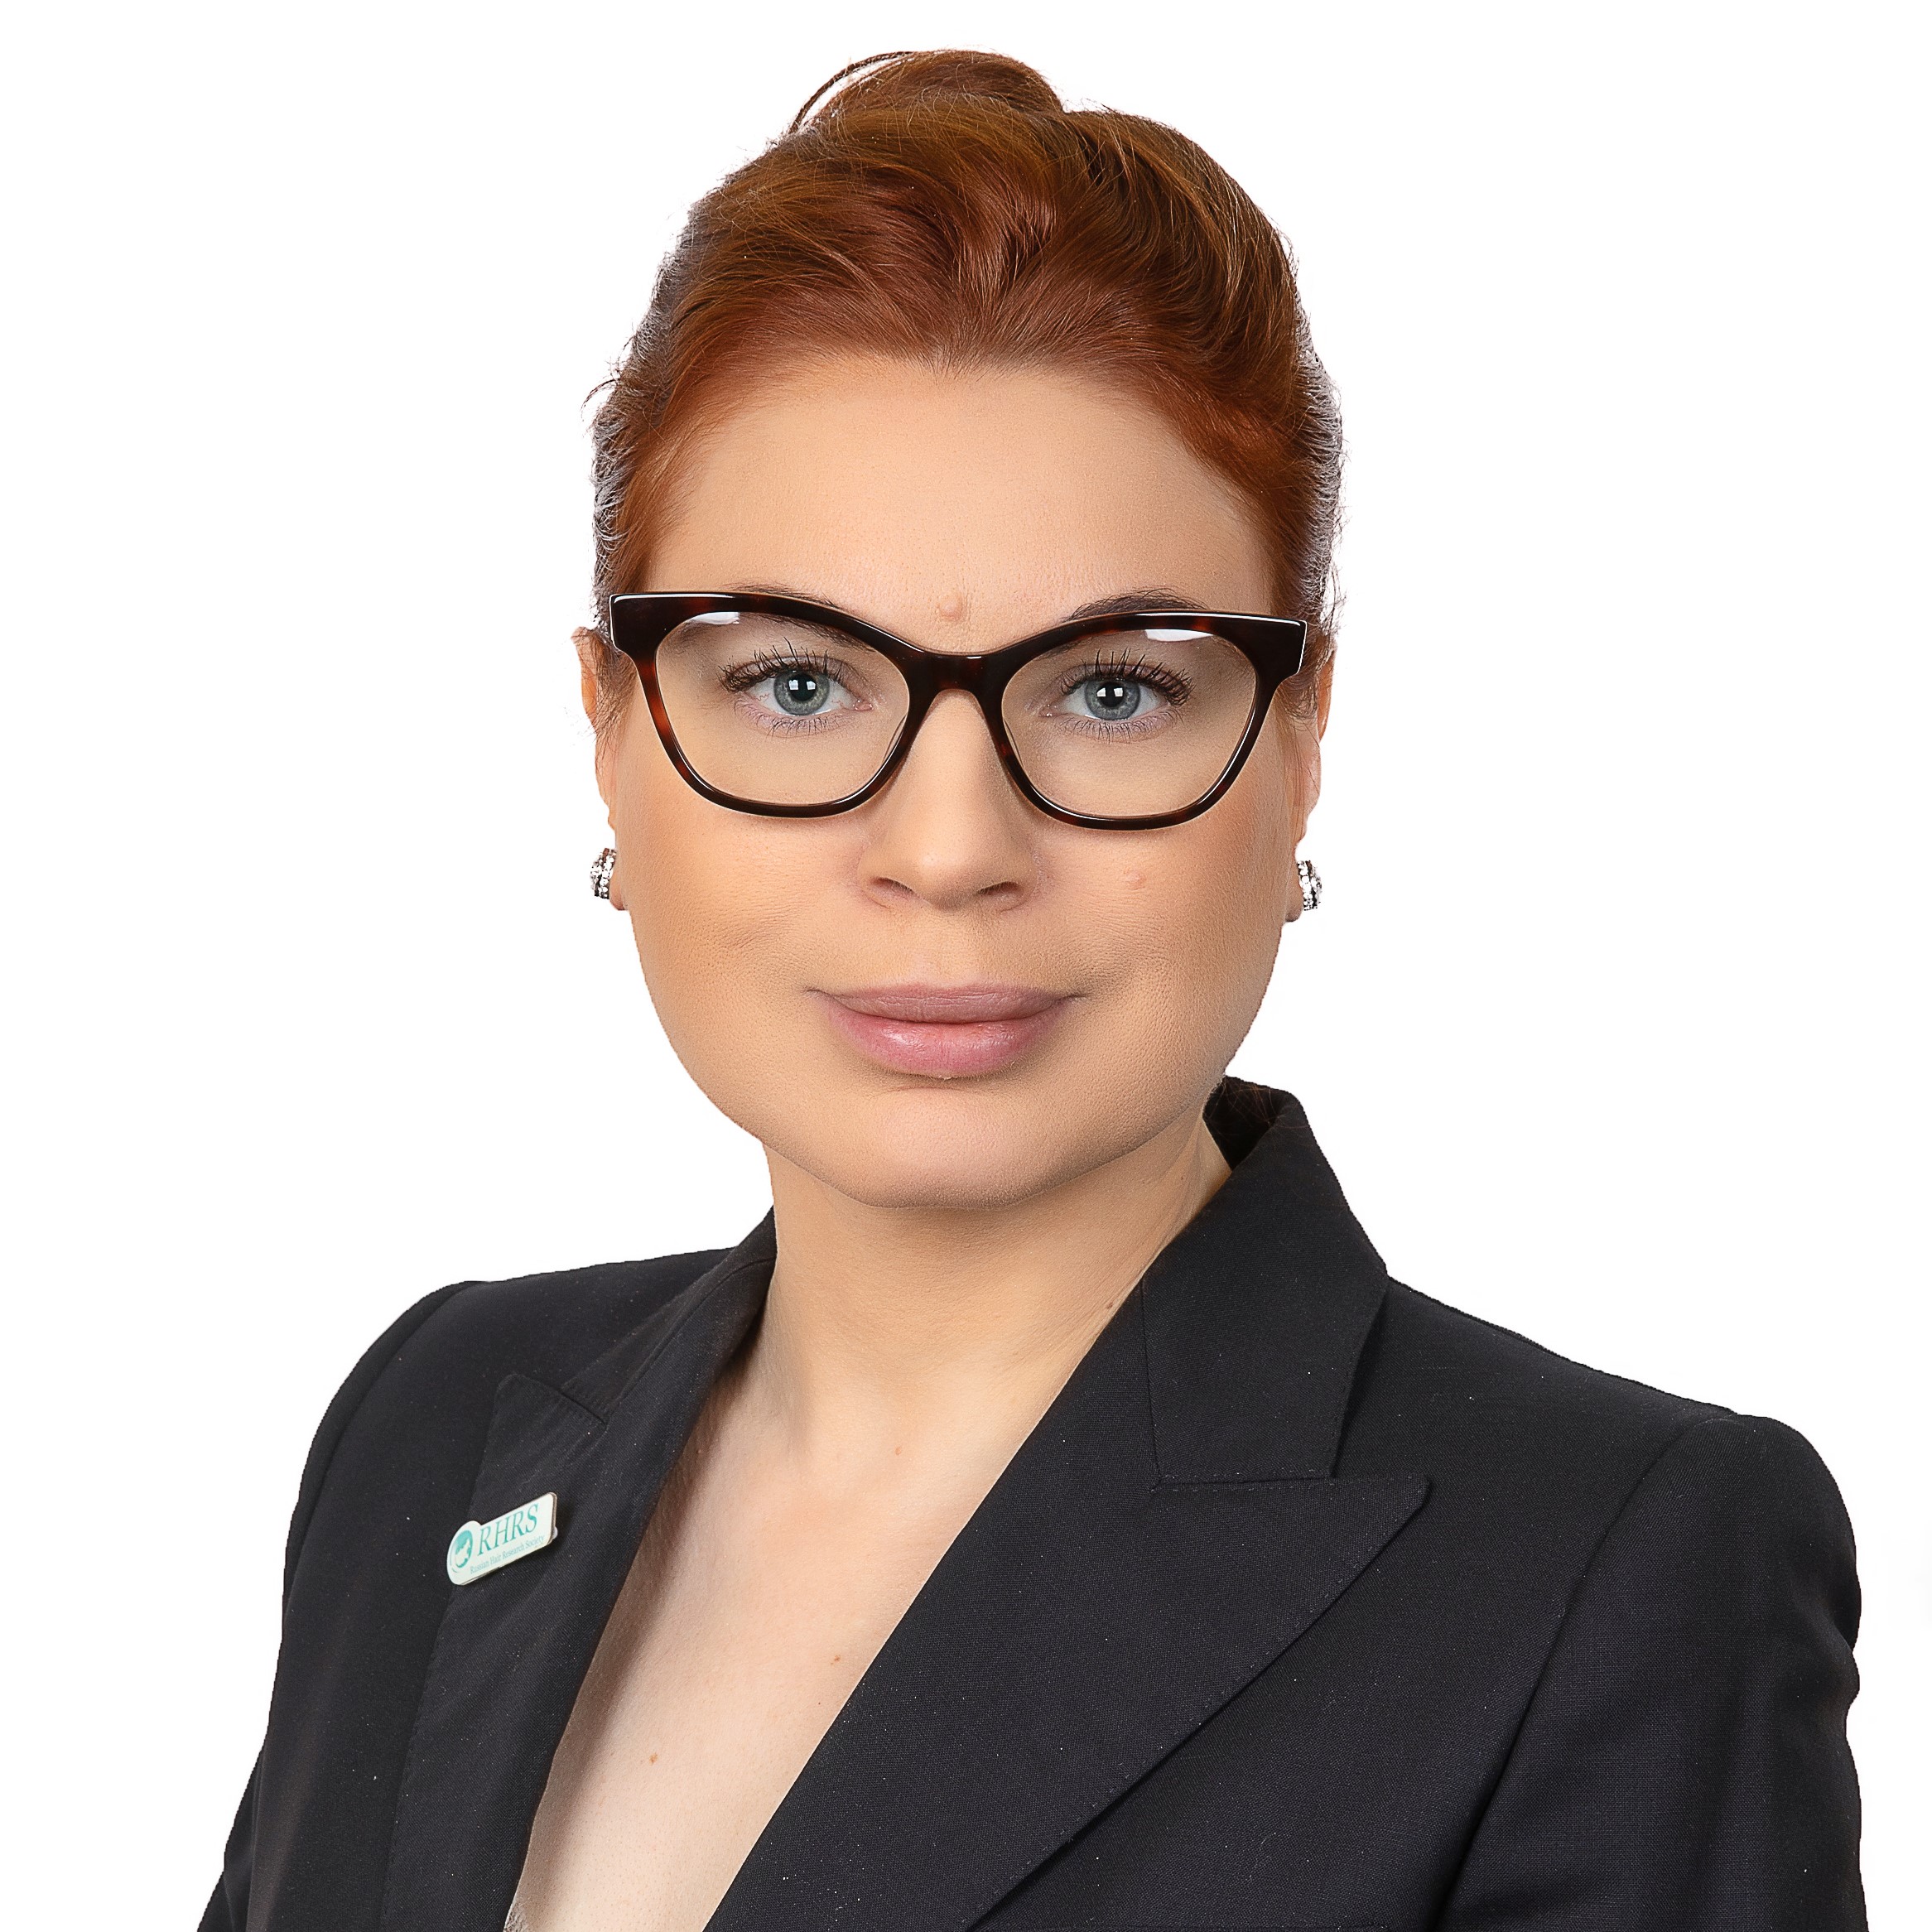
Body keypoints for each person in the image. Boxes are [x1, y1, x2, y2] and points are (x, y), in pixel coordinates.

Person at [201, 49, 1863, 1932]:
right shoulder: (439, 1422)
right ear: (612, 727)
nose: (948, 848)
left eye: (1114, 691)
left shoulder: (1613, 1568)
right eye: (796, 684)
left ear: (1299, 740)